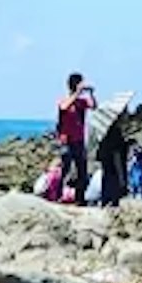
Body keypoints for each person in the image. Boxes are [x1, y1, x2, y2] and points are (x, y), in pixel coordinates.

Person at [55, 74, 97, 202]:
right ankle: (58, 195)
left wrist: (90, 94)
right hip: (66, 140)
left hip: (79, 140)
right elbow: (63, 107)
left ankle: (80, 198)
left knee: (82, 171)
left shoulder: (81, 102)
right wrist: (77, 93)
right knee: (65, 169)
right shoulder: (65, 100)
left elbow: (94, 106)